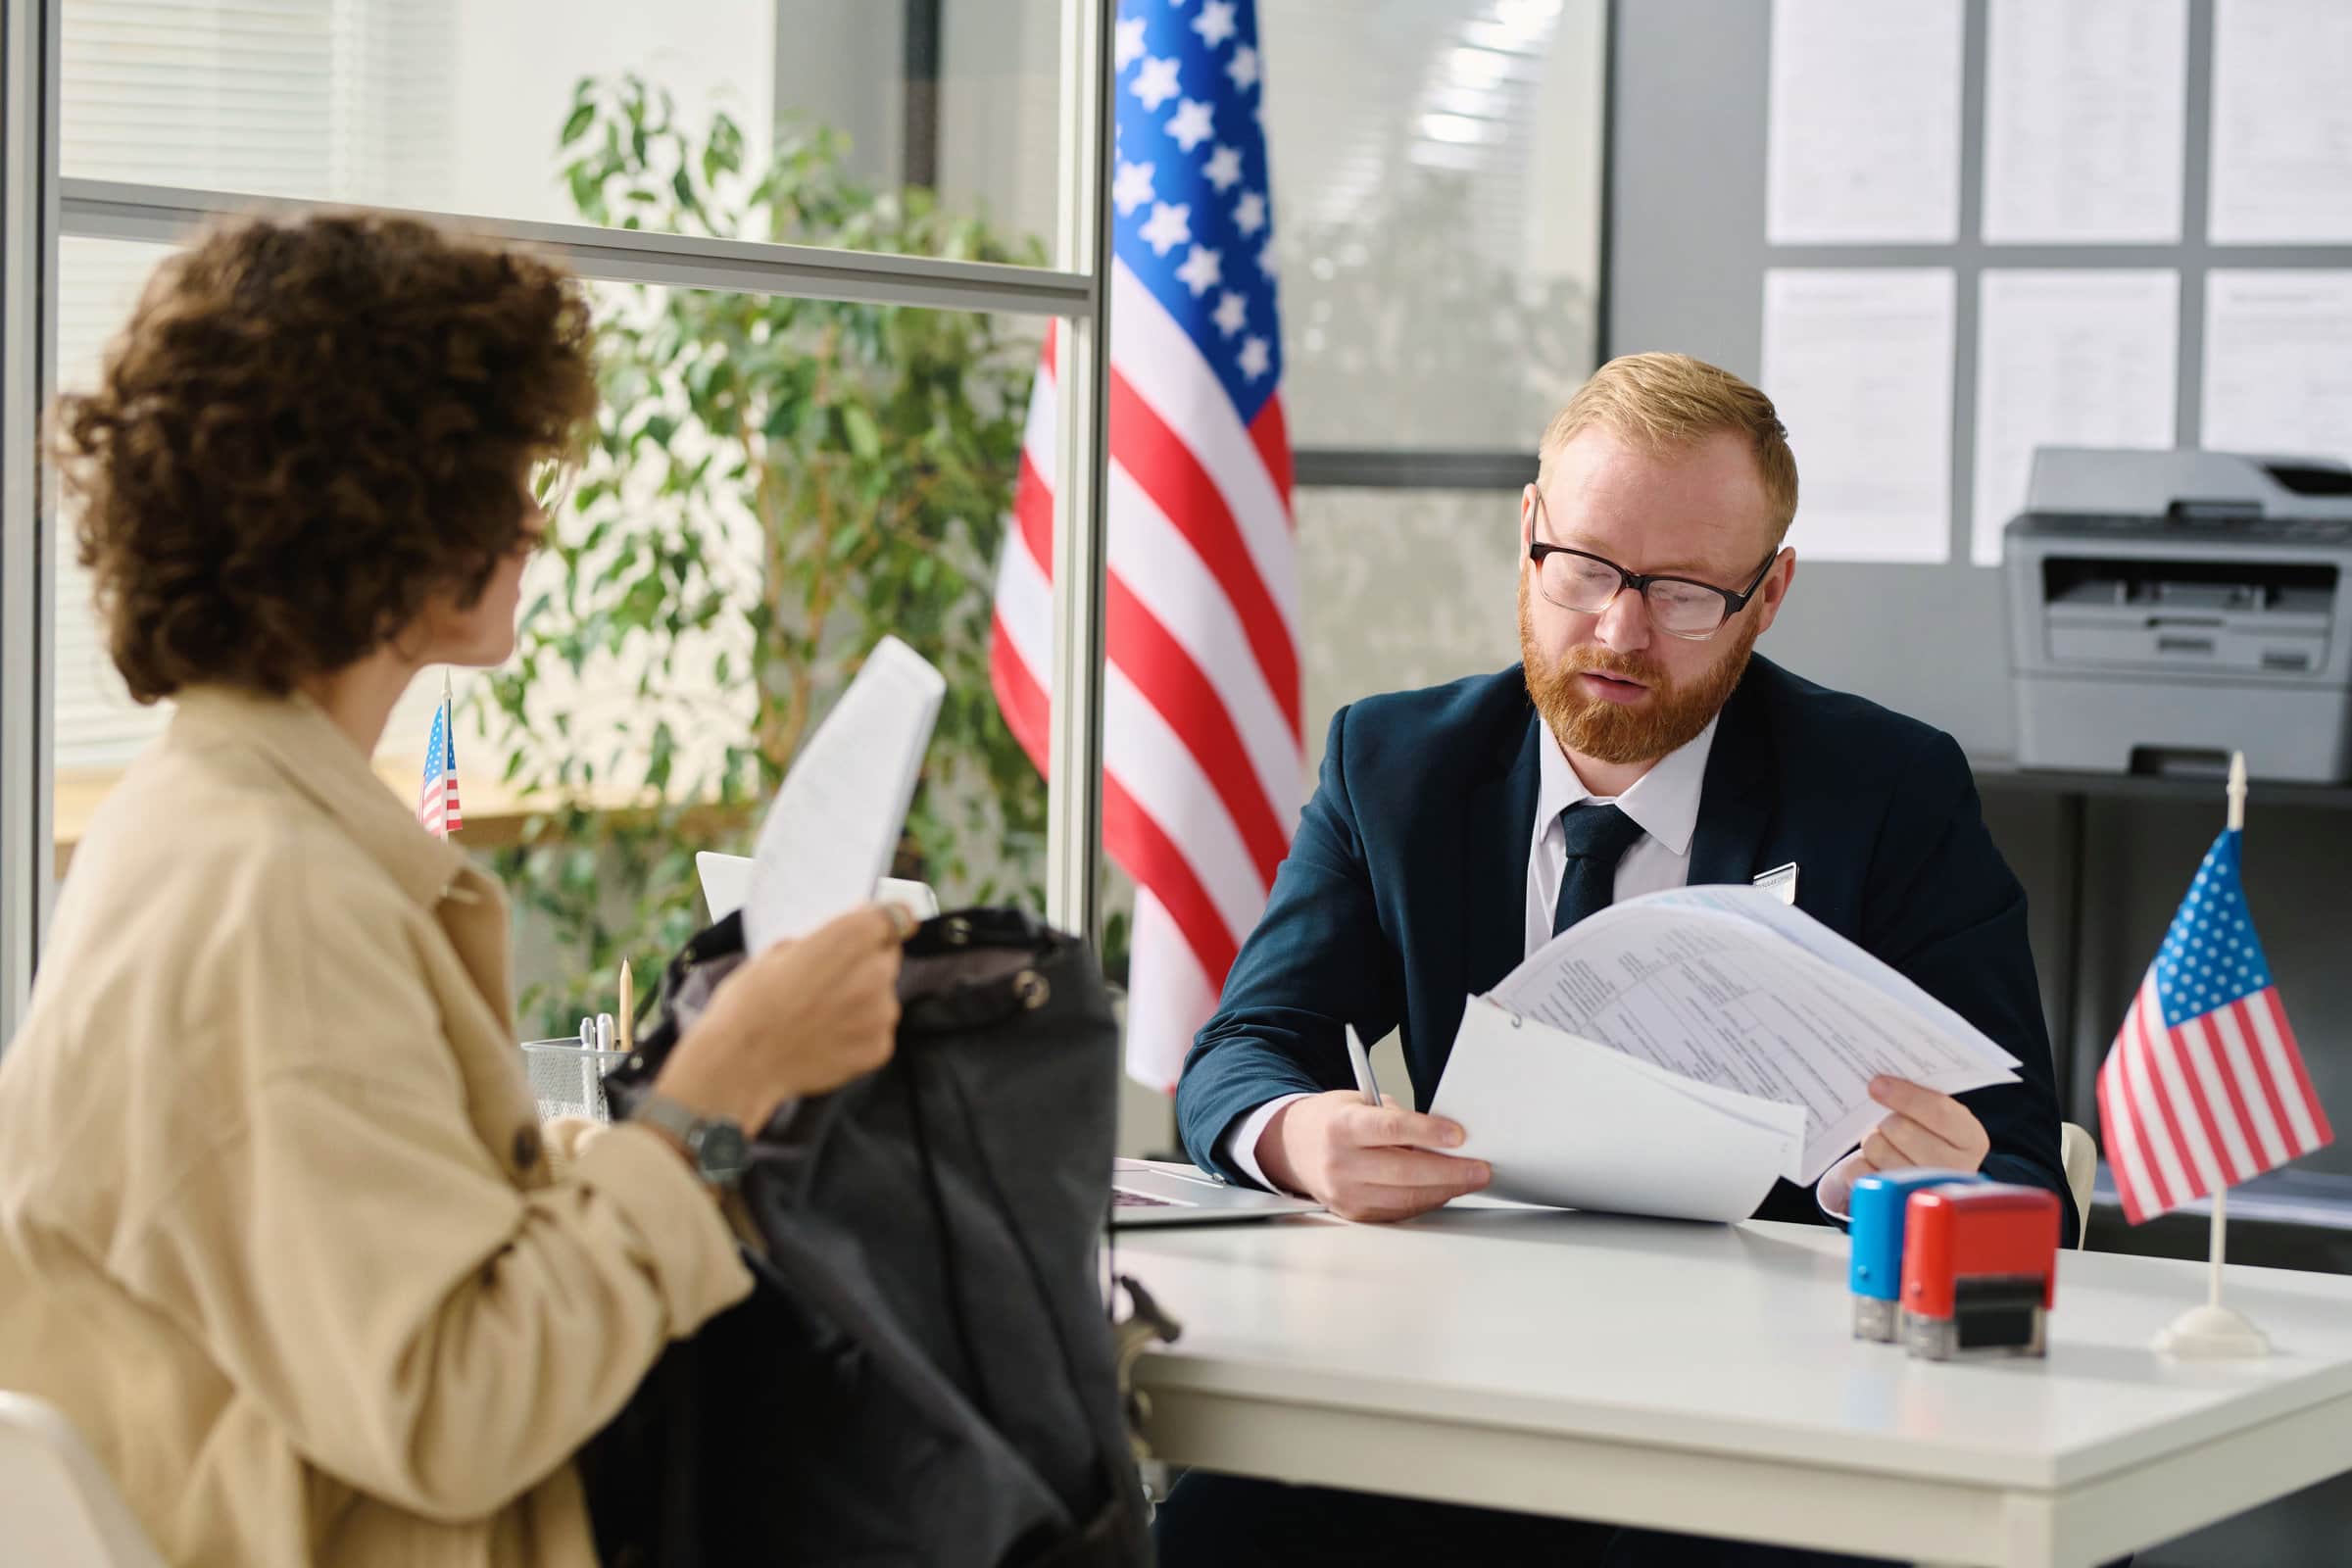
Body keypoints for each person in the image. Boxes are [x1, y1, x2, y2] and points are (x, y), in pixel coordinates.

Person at [0, 213, 906, 1567]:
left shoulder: (204, 820)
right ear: (382, 509)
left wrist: (701, 1125)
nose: (532, 517)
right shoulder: (276, 900)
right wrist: (721, 1080)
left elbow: (401, 1254)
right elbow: (457, 1403)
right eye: (497, 474)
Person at [1156, 353, 2071, 1565]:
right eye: (1583, 569)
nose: (1620, 630)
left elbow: (2015, 1162)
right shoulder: (1396, 766)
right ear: (1529, 532)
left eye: (1688, 591)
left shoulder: (1888, 793)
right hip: (1454, 1378)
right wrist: (1297, 1137)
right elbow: (1239, 1052)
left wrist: (1895, 1185)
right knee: (1221, 1519)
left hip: (1764, 1417)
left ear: (1770, 592)